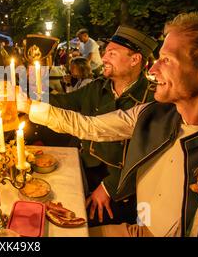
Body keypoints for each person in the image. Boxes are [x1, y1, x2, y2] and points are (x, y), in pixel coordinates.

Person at [17, 12, 198, 237]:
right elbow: (88, 126)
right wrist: (27, 104)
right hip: (140, 229)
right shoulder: (152, 113)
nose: (152, 70)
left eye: (167, 60)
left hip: (123, 203)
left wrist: (109, 187)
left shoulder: (153, 101)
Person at [37, 25, 158, 227]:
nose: (103, 58)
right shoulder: (97, 87)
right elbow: (61, 103)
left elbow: (150, 157)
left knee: (84, 225)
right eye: (104, 52)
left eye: (112, 53)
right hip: (85, 171)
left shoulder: (153, 98)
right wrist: (27, 95)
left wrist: (109, 187)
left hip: (125, 188)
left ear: (135, 59)